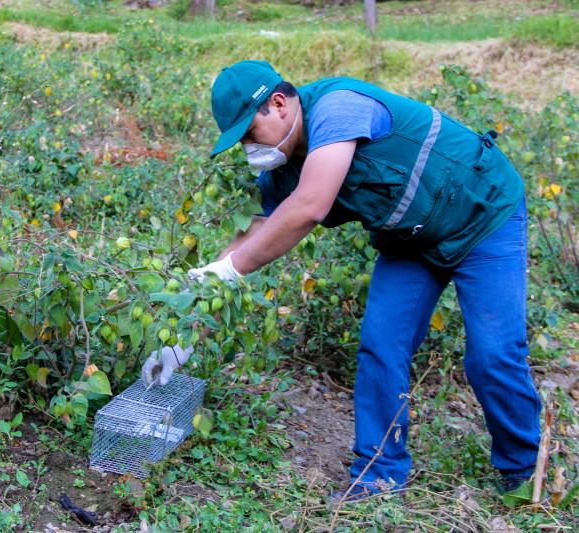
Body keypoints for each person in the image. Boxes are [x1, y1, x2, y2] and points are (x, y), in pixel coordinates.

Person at [141, 60, 542, 501]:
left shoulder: (339, 109)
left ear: (278, 103)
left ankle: (523, 471)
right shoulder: (281, 169)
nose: (249, 149)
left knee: (492, 354)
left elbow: (310, 205)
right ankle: (378, 473)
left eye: (250, 134)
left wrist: (233, 268)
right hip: (410, 240)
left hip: (483, 217)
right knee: (381, 346)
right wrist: (187, 330)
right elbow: (249, 237)